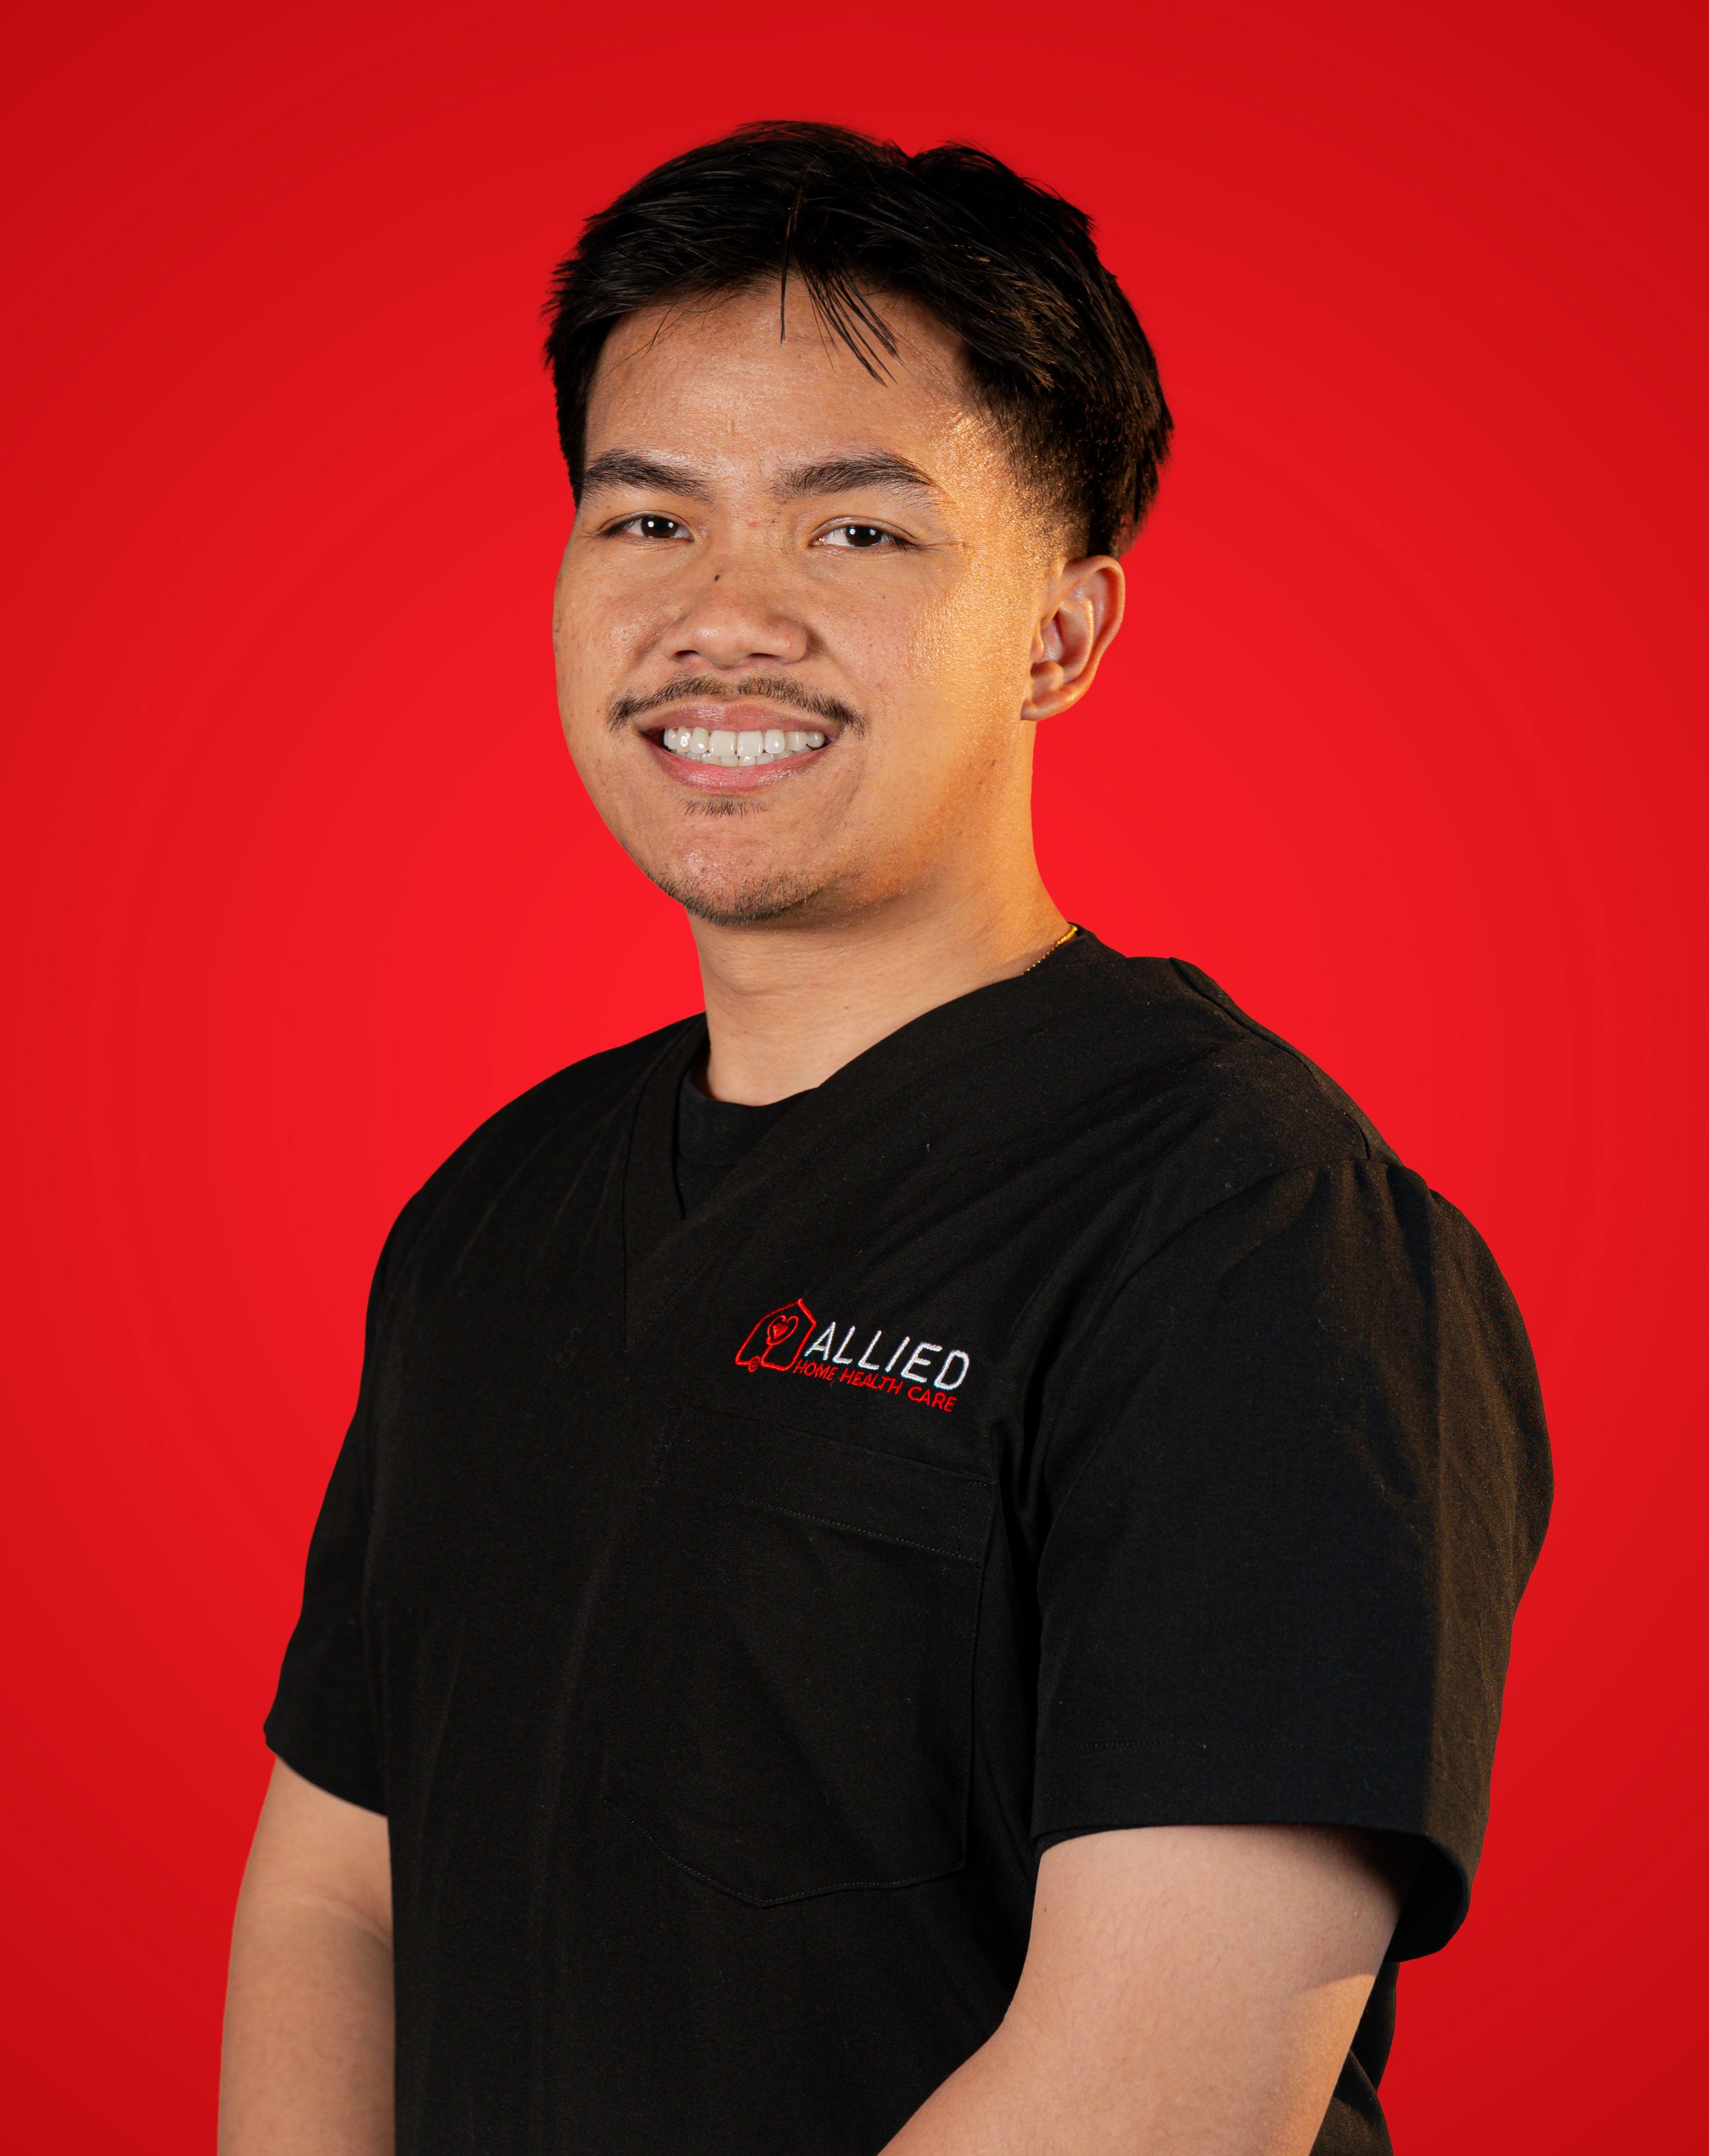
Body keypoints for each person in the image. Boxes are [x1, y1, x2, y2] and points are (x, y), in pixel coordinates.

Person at [219, 122, 1551, 2156]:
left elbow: (1163, 2091)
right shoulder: (493, 1211)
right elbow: (337, 1890)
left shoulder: (1247, 1228)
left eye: (856, 533)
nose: (722, 619)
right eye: (646, 522)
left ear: (1062, 631)